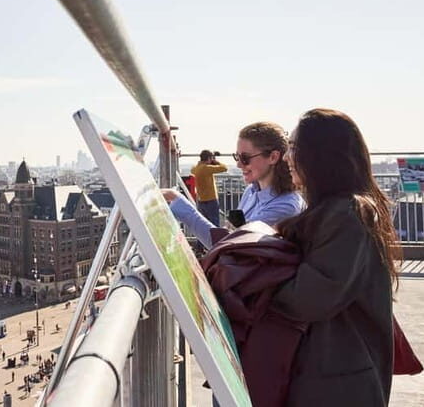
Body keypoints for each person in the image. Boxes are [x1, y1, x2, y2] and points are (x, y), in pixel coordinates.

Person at [268, 108, 398, 405]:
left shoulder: (347, 215)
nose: (287, 157)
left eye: (294, 147)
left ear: (321, 155)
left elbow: (309, 298)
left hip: (339, 385)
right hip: (333, 378)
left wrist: (252, 284)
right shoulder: (337, 211)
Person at [164, 121, 304, 248]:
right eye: (237, 157)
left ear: (273, 157)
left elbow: (228, 245)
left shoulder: (285, 206)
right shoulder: (251, 191)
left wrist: (178, 201)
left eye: (245, 158)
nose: (238, 164)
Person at [191, 149, 228, 226]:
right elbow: (224, 168)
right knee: (214, 224)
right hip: (211, 200)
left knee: (204, 224)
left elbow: (192, 169)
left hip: (201, 200)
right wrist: (215, 162)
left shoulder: (196, 168)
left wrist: (209, 160)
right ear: (208, 158)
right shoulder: (206, 168)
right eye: (211, 158)